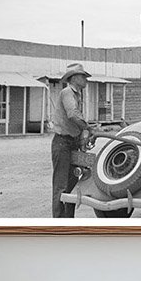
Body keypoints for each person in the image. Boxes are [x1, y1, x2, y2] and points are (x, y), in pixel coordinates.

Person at [50, 63, 92, 217]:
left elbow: (75, 121)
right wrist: (88, 128)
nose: (86, 79)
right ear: (74, 78)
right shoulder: (67, 92)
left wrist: (82, 140)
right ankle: (60, 224)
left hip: (71, 143)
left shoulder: (77, 94)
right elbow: (73, 115)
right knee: (61, 186)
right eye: (83, 76)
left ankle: (68, 220)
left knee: (72, 186)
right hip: (62, 143)